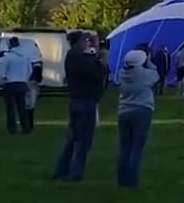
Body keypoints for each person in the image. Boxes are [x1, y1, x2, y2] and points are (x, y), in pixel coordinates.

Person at [54, 31, 107, 182]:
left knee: (72, 138)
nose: (88, 43)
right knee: (83, 140)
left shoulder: (73, 56)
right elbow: (98, 73)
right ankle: (75, 173)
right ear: (77, 42)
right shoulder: (78, 57)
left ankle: (62, 170)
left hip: (76, 100)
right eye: (85, 40)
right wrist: (99, 59)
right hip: (85, 101)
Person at [114, 49, 159, 188]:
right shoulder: (143, 74)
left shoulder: (122, 73)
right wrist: (149, 61)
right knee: (137, 148)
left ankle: (122, 179)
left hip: (124, 110)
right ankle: (132, 181)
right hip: (142, 110)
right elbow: (156, 76)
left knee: (124, 147)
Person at [0, 36, 35, 135]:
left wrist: (2, 82)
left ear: (10, 45)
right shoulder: (25, 57)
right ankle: (25, 128)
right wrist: (24, 79)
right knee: (22, 107)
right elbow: (30, 71)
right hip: (22, 83)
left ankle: (12, 129)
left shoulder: (7, 57)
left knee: (10, 108)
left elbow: (2, 73)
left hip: (10, 84)